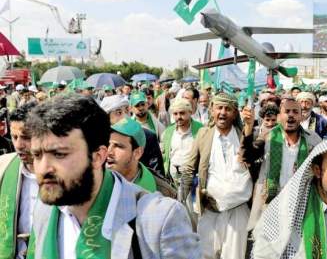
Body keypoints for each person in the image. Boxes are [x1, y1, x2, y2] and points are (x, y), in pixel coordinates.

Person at [26, 93, 201, 259]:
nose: (43, 169)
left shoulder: (159, 219)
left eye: (59, 154)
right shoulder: (45, 211)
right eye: (37, 155)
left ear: (98, 157)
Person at [179, 92, 252, 259]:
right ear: (212, 110)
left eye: (228, 109)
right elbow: (190, 168)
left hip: (237, 211)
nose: (223, 113)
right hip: (209, 209)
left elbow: (252, 158)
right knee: (205, 254)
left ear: (235, 113)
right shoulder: (204, 135)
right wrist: (181, 196)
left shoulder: (244, 135)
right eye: (219, 108)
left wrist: (249, 128)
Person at [240, 96, 321, 230]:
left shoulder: (313, 139)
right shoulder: (268, 136)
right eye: (287, 111)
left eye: (295, 112)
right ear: (279, 116)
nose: (290, 115)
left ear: (301, 117)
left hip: (302, 205)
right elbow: (248, 156)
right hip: (271, 203)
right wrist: (248, 127)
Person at [0, 102, 38, 259]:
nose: (18, 145)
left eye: (26, 137)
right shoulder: (4, 165)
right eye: (14, 137)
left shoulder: (62, 173)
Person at [101, 94, 164, 175]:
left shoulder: (146, 136)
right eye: (119, 112)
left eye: (127, 111)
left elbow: (157, 172)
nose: (125, 116)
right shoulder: (100, 140)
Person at [107, 116, 157, 192]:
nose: (109, 152)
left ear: (137, 153)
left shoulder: (161, 193)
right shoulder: (95, 182)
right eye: (108, 144)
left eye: (118, 146)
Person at [161, 98, 203, 183]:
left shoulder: (201, 130)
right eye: (175, 114)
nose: (178, 117)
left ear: (190, 112)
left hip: (195, 181)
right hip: (173, 182)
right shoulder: (168, 132)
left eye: (182, 113)